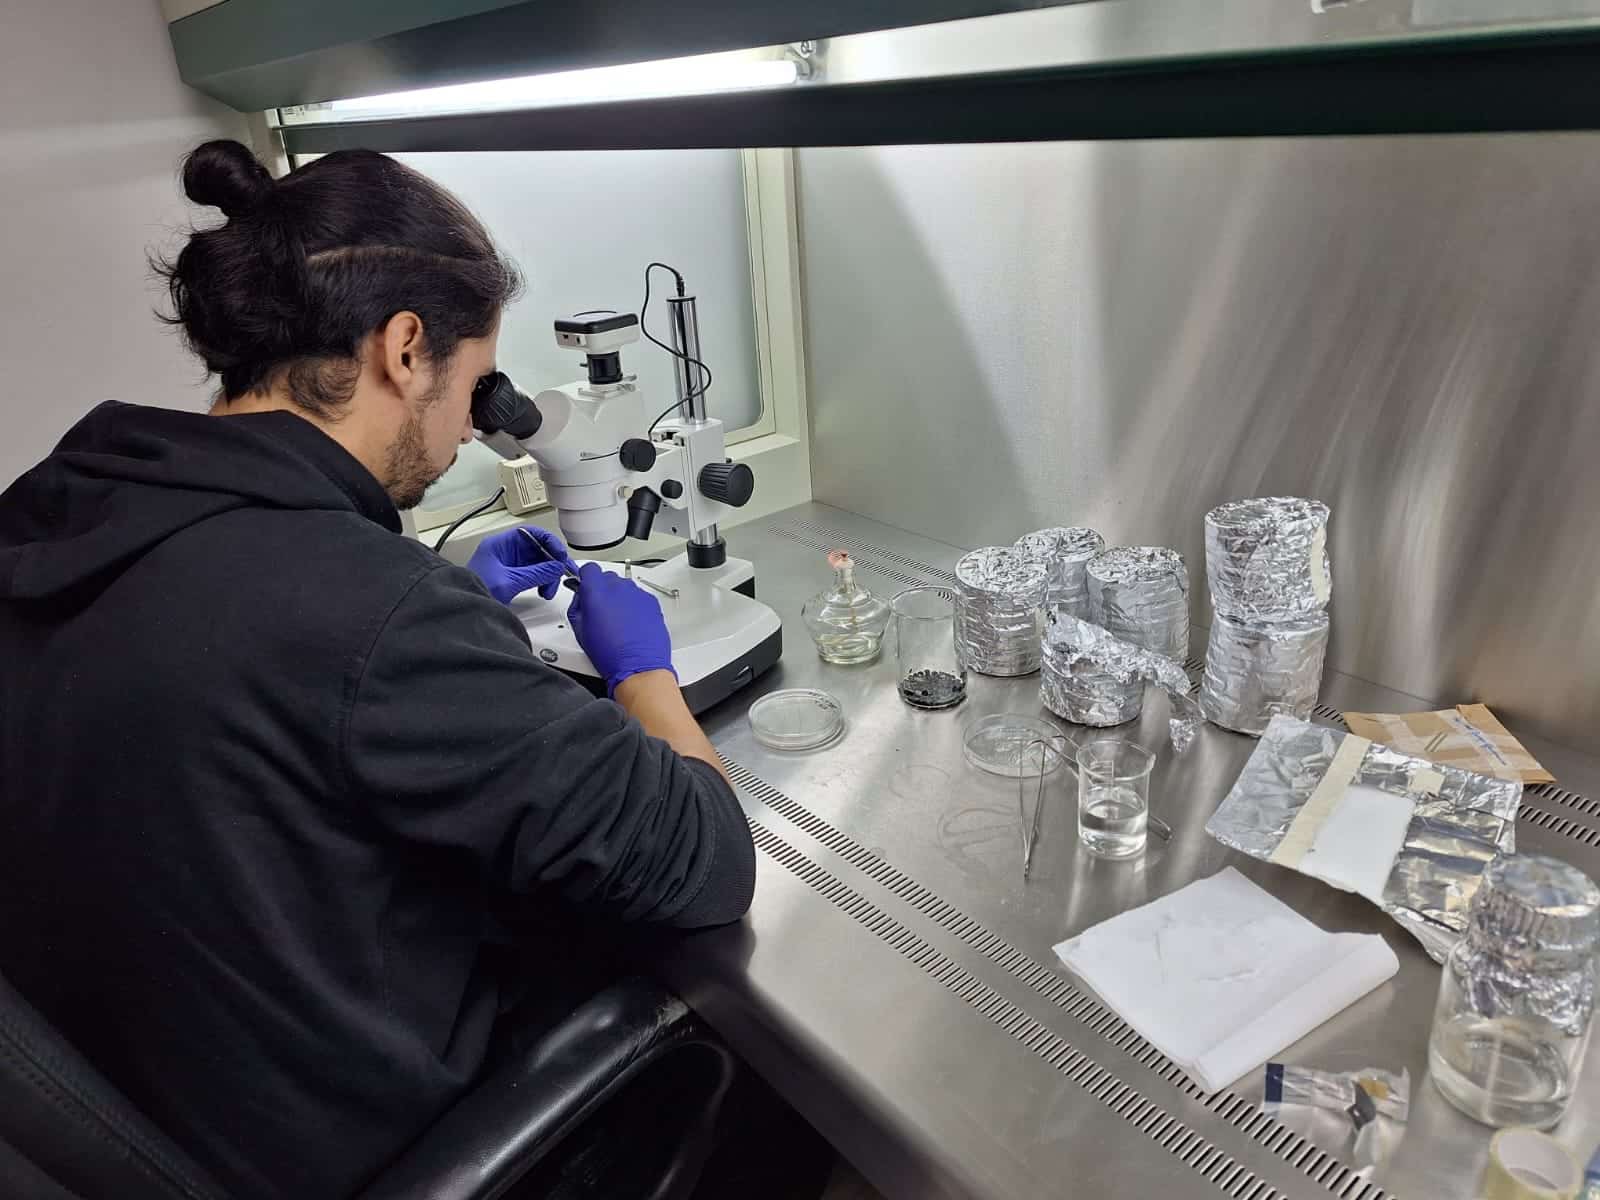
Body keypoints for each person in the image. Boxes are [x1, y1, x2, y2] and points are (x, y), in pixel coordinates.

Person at [0, 140, 756, 1199]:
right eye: (476, 385)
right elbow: (704, 861)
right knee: (754, 1072)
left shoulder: (62, 509)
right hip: (389, 1146)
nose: (471, 432)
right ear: (405, 350)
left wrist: (442, 619)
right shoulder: (361, 609)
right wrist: (641, 675)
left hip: (188, 1099)